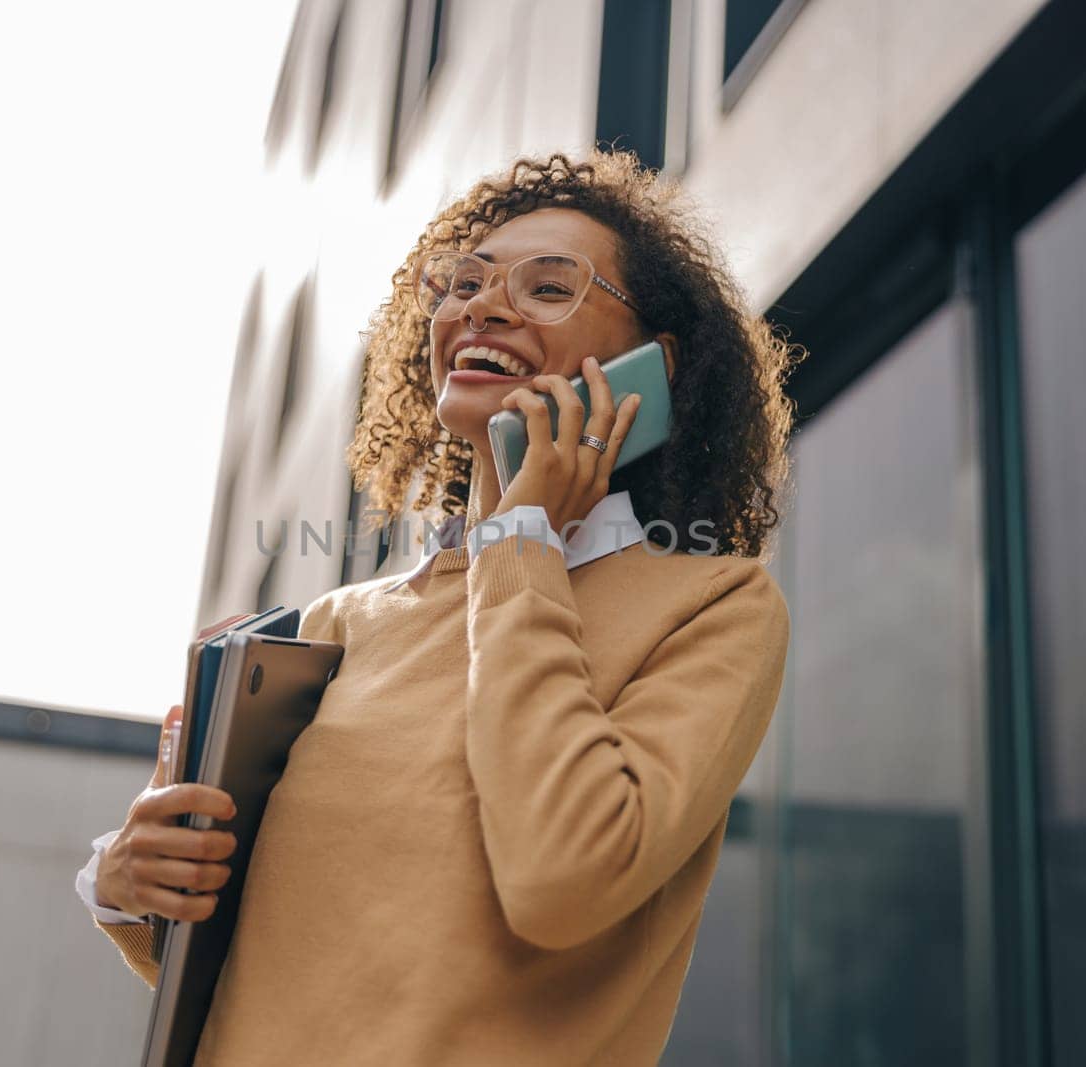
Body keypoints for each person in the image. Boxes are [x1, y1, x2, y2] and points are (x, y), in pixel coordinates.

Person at [75, 149, 798, 1065]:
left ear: (651, 367)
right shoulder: (336, 625)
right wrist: (124, 880)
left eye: (548, 286)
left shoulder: (714, 607)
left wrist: (522, 538)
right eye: (463, 282)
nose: (480, 307)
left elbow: (562, 877)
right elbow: (254, 962)